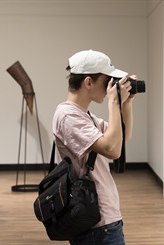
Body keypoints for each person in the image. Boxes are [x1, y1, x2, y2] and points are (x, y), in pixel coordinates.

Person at [52, 49, 136, 245]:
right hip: (97, 227)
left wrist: (126, 104)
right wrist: (114, 102)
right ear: (88, 82)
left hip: (103, 220)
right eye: (107, 81)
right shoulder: (68, 116)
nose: (109, 88)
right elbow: (113, 151)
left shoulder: (84, 115)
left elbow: (122, 140)